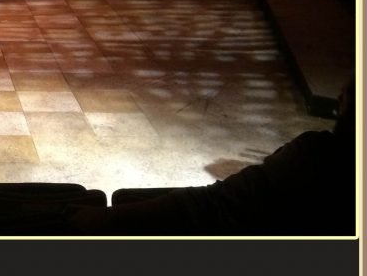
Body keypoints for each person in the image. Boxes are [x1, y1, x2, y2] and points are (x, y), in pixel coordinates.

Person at [66, 79, 356, 236]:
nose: (341, 93)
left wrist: (108, 219)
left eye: (351, 89)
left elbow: (211, 206)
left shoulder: (319, 160)